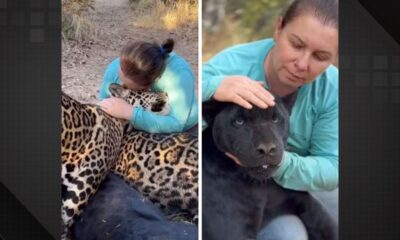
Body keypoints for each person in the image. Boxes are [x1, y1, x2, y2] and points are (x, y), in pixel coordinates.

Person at [202, 0, 338, 239]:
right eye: (296, 45)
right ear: (278, 29)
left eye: (320, 56)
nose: (302, 64)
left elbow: (332, 167)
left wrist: (281, 163)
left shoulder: (331, 89)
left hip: (296, 179)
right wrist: (211, 87)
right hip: (233, 186)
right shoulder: (230, 66)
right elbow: (178, 109)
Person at [99, 38, 198, 134]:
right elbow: (102, 101)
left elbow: (176, 123)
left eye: (128, 86)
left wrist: (130, 113)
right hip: (134, 125)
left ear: (148, 85)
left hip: (182, 131)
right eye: (120, 69)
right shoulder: (117, 66)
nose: (122, 85)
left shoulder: (179, 76)